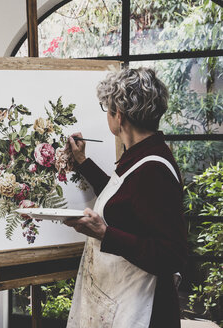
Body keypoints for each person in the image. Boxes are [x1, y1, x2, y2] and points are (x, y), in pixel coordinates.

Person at [64, 67, 187, 328]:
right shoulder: (139, 155)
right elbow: (124, 201)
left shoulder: (153, 168)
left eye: (105, 108)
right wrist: (82, 162)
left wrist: (105, 234)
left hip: (145, 312)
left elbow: (171, 254)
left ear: (118, 115)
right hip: (125, 303)